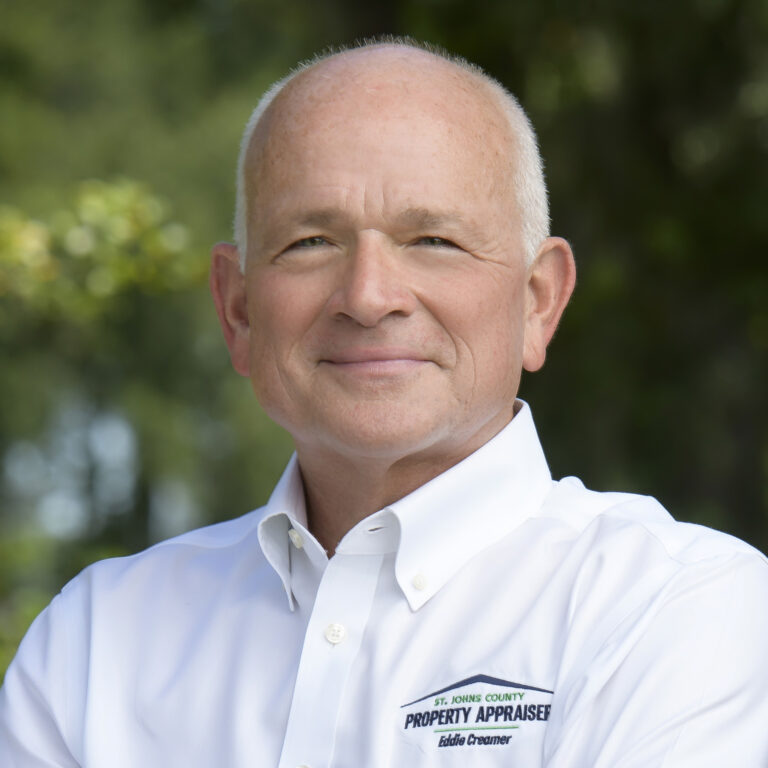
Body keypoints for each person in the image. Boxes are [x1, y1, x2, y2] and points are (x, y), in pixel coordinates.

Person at [1, 39, 767, 768]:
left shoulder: (676, 611)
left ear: (537, 302)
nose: (368, 297)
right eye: (309, 243)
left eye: (433, 239)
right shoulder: (94, 643)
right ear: (237, 310)